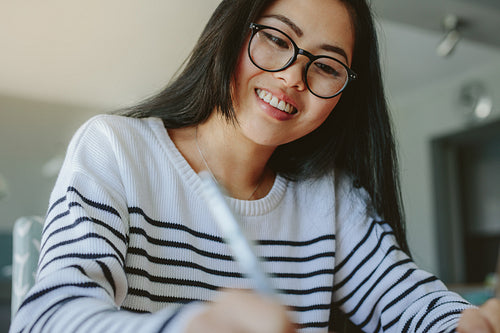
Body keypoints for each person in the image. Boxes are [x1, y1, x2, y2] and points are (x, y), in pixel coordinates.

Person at [10, 0, 500, 332]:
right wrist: (191, 327)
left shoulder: (328, 197)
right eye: (275, 38)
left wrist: (468, 322)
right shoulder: (116, 149)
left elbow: (413, 304)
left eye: (327, 66)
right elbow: (47, 318)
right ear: (231, 32)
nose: (292, 77)